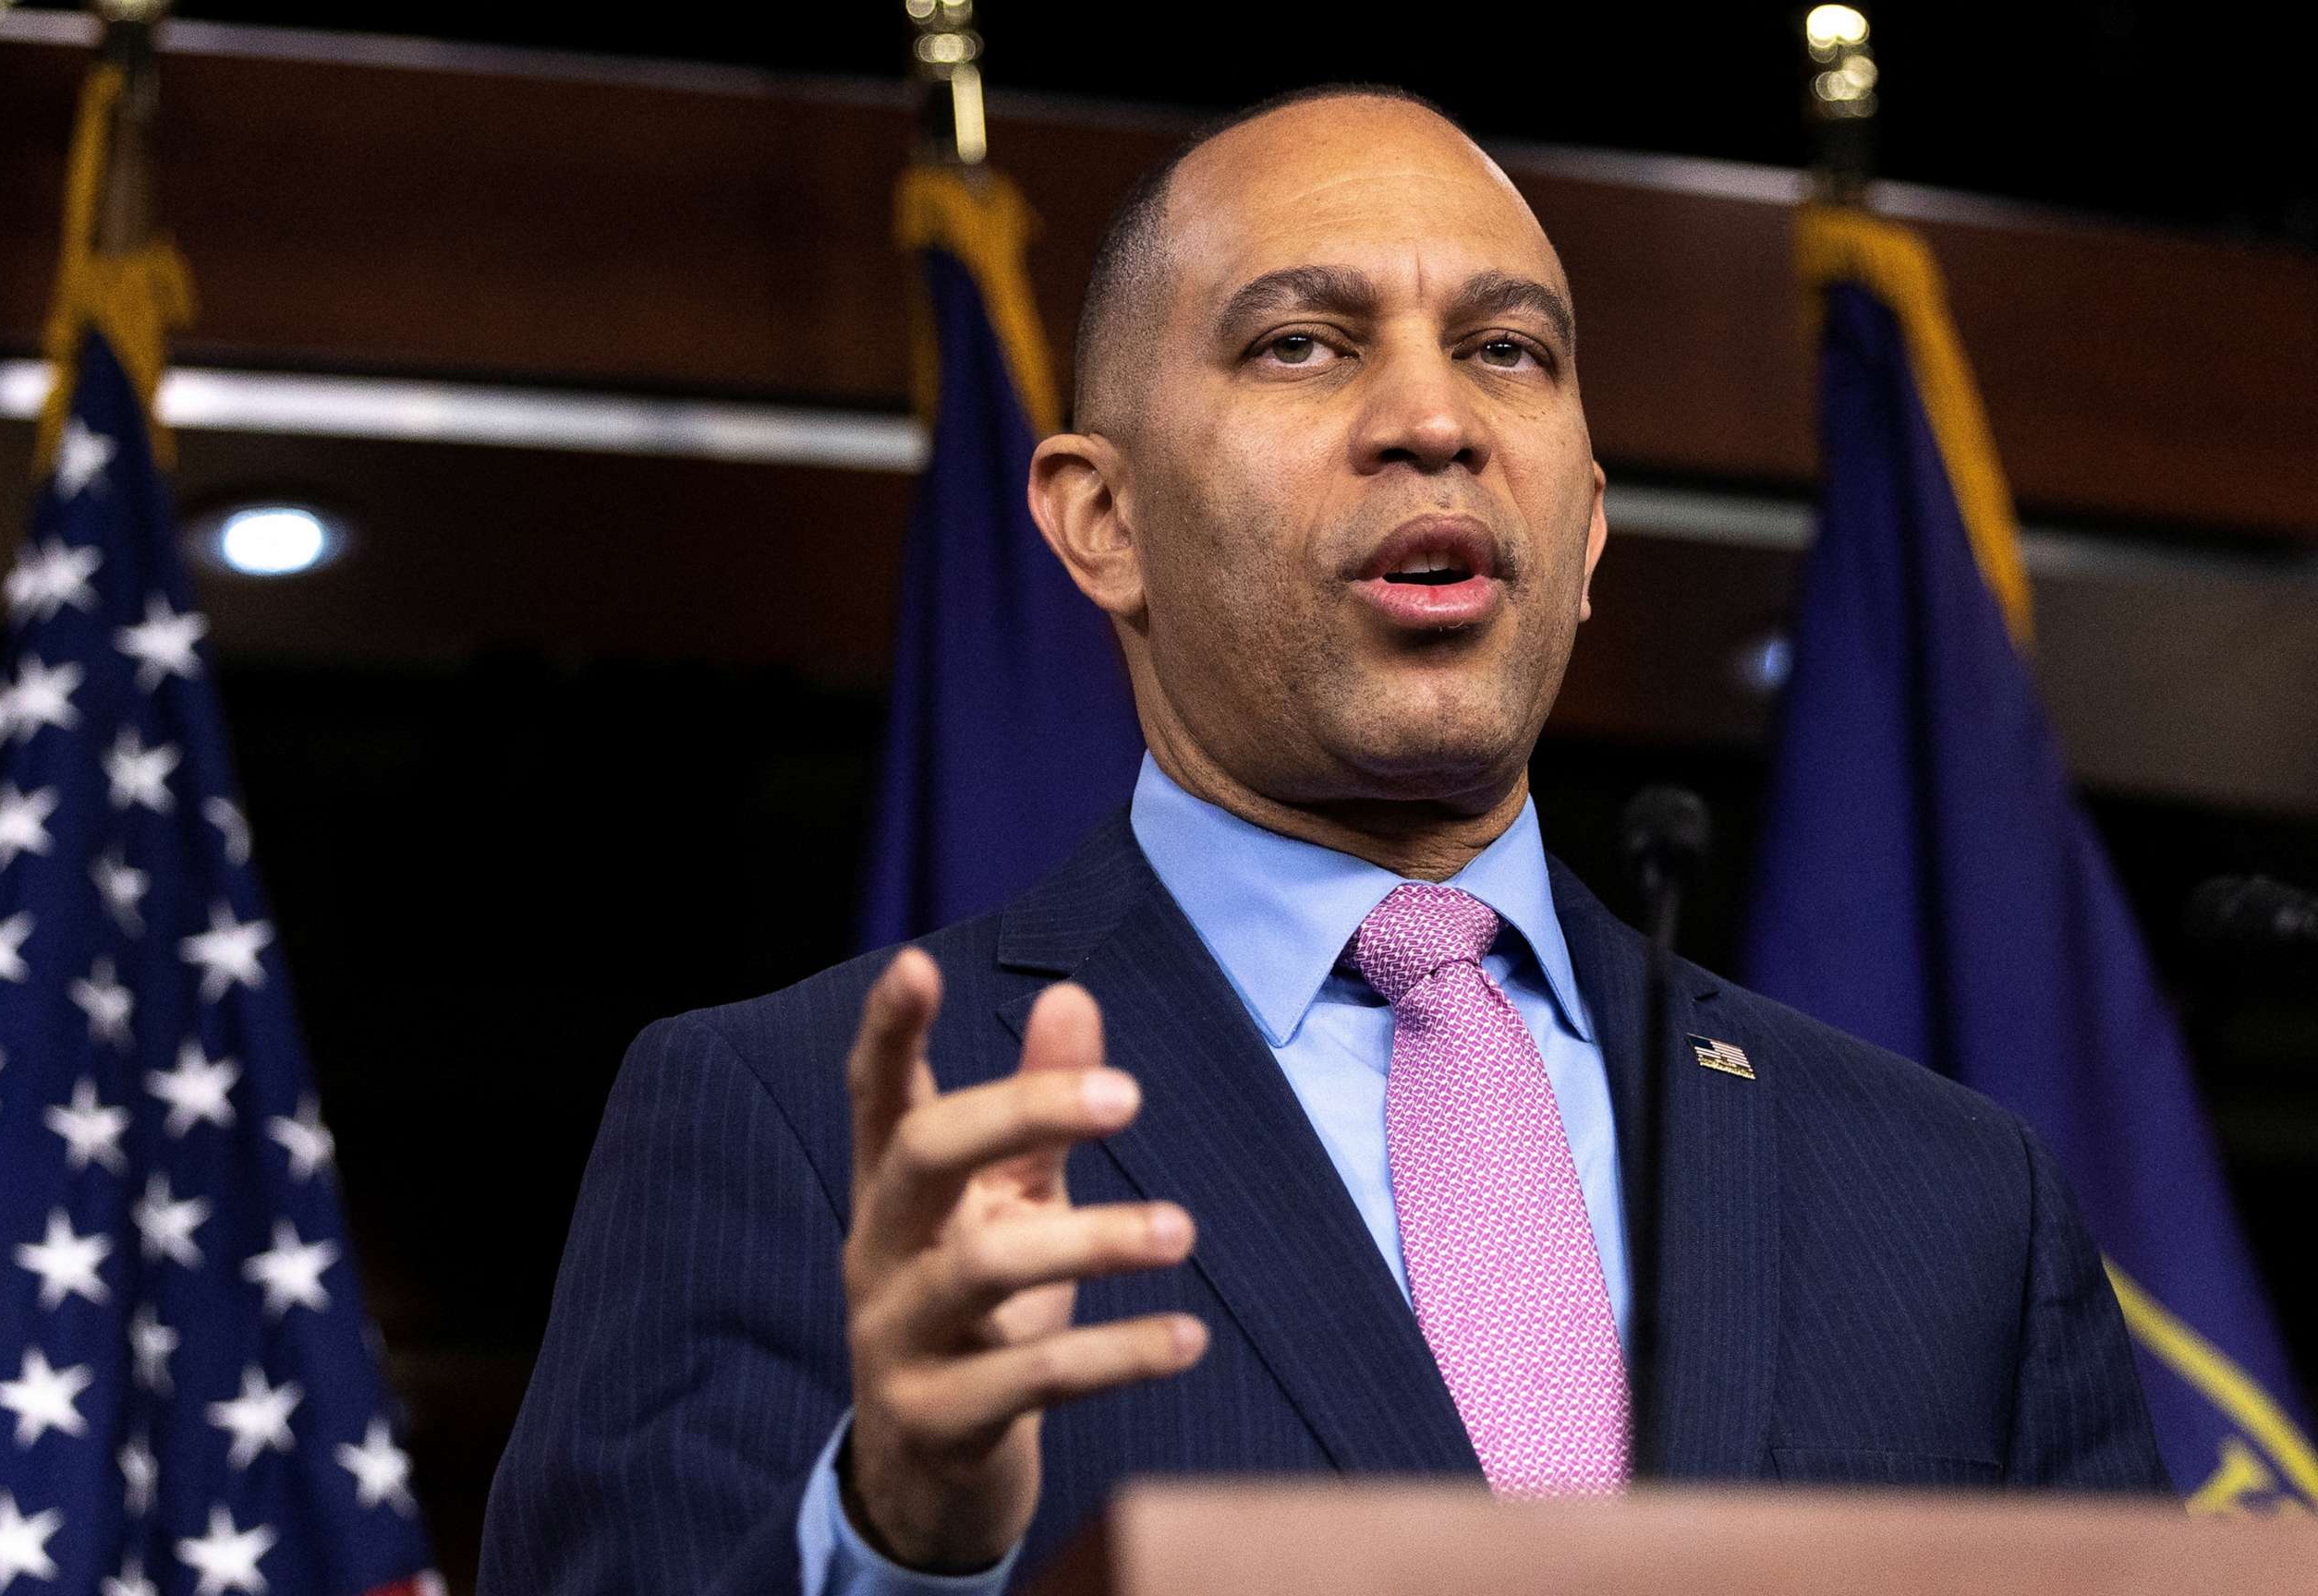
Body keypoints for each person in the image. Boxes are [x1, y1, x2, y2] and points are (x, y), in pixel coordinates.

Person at [479, 85, 2166, 1595]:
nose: (1432, 419)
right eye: (1304, 342)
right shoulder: (791, 1124)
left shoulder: (1954, 1194)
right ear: (1102, 519)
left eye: (1508, 350)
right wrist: (904, 1543)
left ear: (1582, 532)